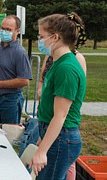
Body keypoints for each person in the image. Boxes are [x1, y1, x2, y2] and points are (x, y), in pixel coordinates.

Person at [31, 13, 87, 179]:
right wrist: (42, 139)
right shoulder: (57, 63)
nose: (39, 41)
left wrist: (41, 152)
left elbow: (60, 116)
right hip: (53, 135)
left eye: (41, 36)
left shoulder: (66, 68)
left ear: (55, 37)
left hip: (62, 139)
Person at [0, 15, 32, 125]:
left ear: (17, 31)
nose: (4, 32)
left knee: (9, 134)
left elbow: (24, 80)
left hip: (10, 100)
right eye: (2, 28)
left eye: (8, 29)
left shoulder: (20, 52)